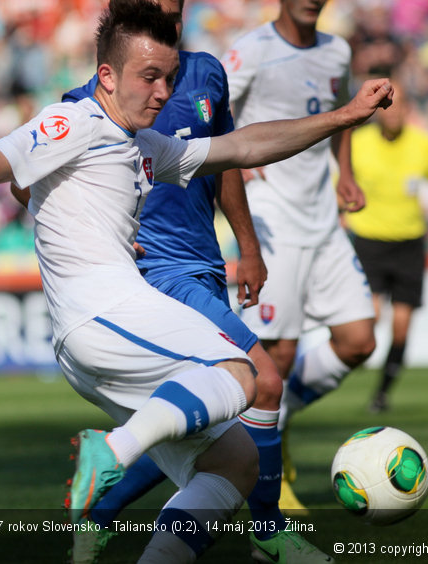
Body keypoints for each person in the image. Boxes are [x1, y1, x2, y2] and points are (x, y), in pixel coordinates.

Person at [0, 1, 392, 560]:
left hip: (106, 326)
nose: (162, 92)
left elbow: (244, 147)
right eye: (149, 77)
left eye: (167, 78)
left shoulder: (144, 146)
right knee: (244, 372)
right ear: (107, 77)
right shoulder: (74, 121)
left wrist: (343, 117)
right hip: (103, 312)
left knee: (233, 463)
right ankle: (111, 452)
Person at [59, 1, 318, 562]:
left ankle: (100, 507)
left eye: (175, 8)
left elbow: (224, 162)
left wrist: (246, 247)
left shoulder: (206, 73)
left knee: (192, 426)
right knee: (264, 382)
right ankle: (269, 532)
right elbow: (33, 186)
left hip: (205, 261)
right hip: (157, 274)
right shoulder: (90, 102)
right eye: (156, 7)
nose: (169, 16)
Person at [222, 0, 377, 511]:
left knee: (359, 340)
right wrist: (233, 163)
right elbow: (210, 108)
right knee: (279, 355)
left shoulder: (337, 51)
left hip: (322, 217)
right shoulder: (252, 51)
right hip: (272, 218)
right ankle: (271, 482)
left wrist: (345, 173)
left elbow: (342, 114)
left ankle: (274, 420)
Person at [346, 85, 428, 413]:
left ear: (407, 109)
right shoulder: (358, 143)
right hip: (369, 239)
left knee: (403, 324)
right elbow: (340, 183)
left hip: (409, 242)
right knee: (371, 319)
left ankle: (382, 392)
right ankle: (334, 372)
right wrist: (341, 211)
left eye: (398, 106)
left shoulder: (425, 145)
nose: (392, 112)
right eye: (387, 106)